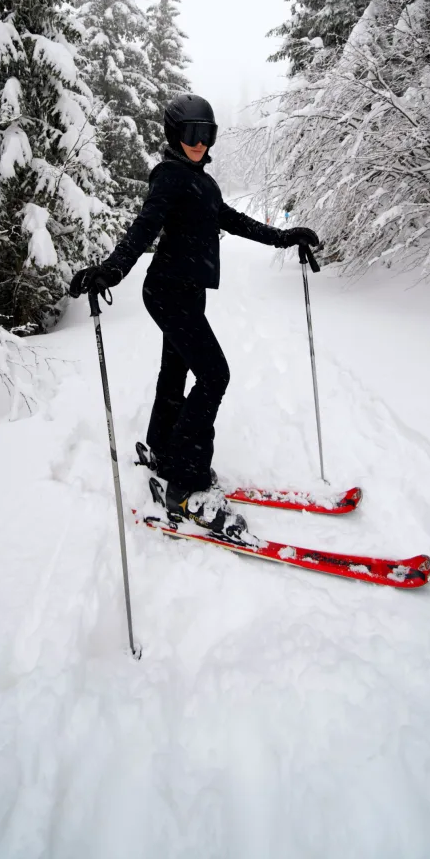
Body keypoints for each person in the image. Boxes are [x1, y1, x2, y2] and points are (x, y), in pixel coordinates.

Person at [70, 94, 319, 538]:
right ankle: (187, 486)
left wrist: (285, 237)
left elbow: (235, 221)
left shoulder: (203, 183)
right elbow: (144, 228)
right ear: (174, 135)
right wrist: (112, 270)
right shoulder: (170, 177)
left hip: (186, 292)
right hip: (168, 292)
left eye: (207, 133)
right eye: (191, 133)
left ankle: (165, 451)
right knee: (215, 375)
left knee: (177, 369)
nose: (200, 142)